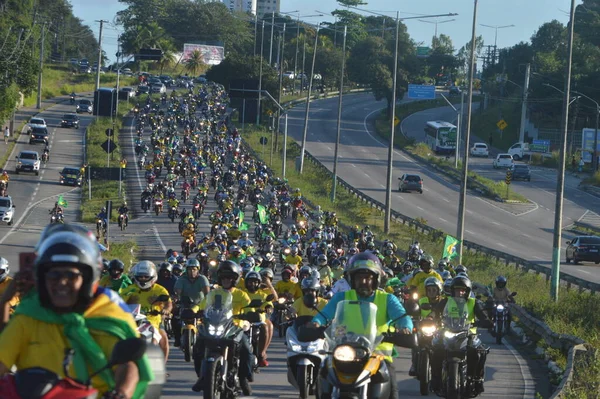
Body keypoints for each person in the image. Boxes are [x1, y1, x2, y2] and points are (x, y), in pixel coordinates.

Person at [0, 224, 153, 398]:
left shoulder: (108, 316)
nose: (62, 283)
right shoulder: (29, 315)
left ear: (88, 280)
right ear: (42, 280)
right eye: (54, 275)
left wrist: (121, 393)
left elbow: (127, 365)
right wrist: (5, 301)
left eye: (71, 276)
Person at [312, 253, 413, 399]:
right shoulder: (342, 297)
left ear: (376, 279)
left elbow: (402, 316)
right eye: (359, 278)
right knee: (324, 372)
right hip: (344, 352)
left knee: (391, 385)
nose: (364, 281)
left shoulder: (387, 299)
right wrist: (316, 323)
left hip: (378, 355)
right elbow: (324, 315)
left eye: (368, 278)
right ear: (352, 279)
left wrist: (405, 328)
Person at [192, 261, 254, 395]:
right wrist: (193, 310)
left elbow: (250, 308)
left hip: (235, 327)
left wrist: (252, 314)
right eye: (224, 277)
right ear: (220, 278)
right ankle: (202, 377)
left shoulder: (241, 295)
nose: (226, 280)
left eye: (229, 277)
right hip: (215, 325)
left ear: (235, 279)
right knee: (198, 346)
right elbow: (202, 305)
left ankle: (243, 378)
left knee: (246, 349)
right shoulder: (214, 293)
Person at [429, 276, 491, 394]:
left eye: (463, 290)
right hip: (447, 331)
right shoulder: (446, 301)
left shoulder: (474, 302)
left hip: (469, 334)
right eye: (457, 290)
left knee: (478, 352)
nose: (460, 292)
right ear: (452, 290)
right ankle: (436, 379)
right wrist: (430, 318)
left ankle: (476, 379)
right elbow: (435, 311)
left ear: (467, 291)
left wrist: (485, 321)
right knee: (436, 349)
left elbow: (484, 316)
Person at [121, 260, 172, 363]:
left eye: (145, 277)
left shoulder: (160, 290)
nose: (143, 279)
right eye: (140, 276)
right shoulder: (130, 289)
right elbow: (119, 302)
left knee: (164, 341)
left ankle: (161, 367)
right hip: (133, 322)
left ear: (152, 277)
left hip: (154, 322)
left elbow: (168, 303)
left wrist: (166, 310)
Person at [241, 270, 277, 367]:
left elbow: (269, 303)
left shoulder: (263, 294)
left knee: (266, 327)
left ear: (259, 283)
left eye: (255, 282)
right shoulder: (242, 293)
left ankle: (261, 353)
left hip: (259, 321)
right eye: (250, 282)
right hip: (243, 320)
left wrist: (268, 308)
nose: (252, 284)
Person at [173, 259, 210, 347]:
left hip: (199, 305)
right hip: (185, 305)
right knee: (175, 319)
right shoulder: (182, 279)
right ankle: (177, 338)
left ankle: (209, 342)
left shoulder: (202, 278)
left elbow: (207, 293)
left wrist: (208, 302)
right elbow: (177, 291)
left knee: (209, 322)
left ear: (198, 269)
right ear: (186, 270)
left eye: (194, 269)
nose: (192, 271)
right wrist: (176, 298)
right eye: (189, 269)